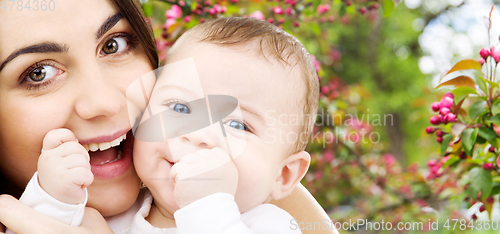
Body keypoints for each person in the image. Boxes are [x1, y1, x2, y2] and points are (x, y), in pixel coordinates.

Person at [0, 1, 335, 233]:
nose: (197, 134)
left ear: (285, 174)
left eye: (114, 44)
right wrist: (54, 196)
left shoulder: (270, 223)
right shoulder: (130, 212)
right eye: (38, 72)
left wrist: (207, 208)